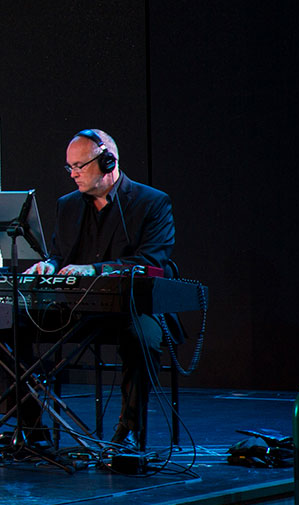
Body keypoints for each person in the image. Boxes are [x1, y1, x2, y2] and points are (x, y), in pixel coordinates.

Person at [17, 129, 178, 448]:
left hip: (131, 307)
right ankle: (31, 428)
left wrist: (93, 270)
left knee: (142, 336)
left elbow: (150, 260)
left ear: (107, 162)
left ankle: (129, 431)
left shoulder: (152, 202)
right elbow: (60, 255)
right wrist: (48, 265)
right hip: (77, 311)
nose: (73, 174)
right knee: (9, 328)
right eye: (70, 167)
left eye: (79, 166)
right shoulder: (68, 205)